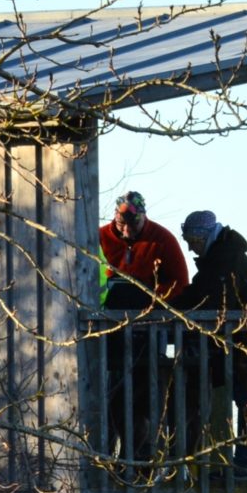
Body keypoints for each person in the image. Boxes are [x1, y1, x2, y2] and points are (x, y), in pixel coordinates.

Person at [172, 210, 247, 470]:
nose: (190, 248)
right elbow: (199, 293)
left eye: (192, 241)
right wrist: (168, 306)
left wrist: (176, 310)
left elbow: (217, 302)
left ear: (203, 236)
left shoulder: (224, 259)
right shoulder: (219, 257)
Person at [96, 192, 188, 463]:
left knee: (143, 393)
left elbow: (181, 282)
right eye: (121, 223)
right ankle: (104, 455)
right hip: (108, 329)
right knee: (106, 393)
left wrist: (152, 298)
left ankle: (141, 455)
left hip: (149, 329)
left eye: (133, 224)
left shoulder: (162, 239)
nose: (126, 230)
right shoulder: (99, 238)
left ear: (143, 217)